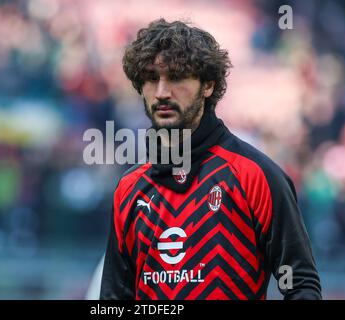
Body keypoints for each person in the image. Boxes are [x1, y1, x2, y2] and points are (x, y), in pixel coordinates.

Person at [100, 19, 321, 300]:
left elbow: (301, 286)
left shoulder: (256, 176)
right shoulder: (129, 189)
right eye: (152, 78)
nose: (162, 92)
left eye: (177, 78)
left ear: (207, 86)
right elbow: (113, 300)